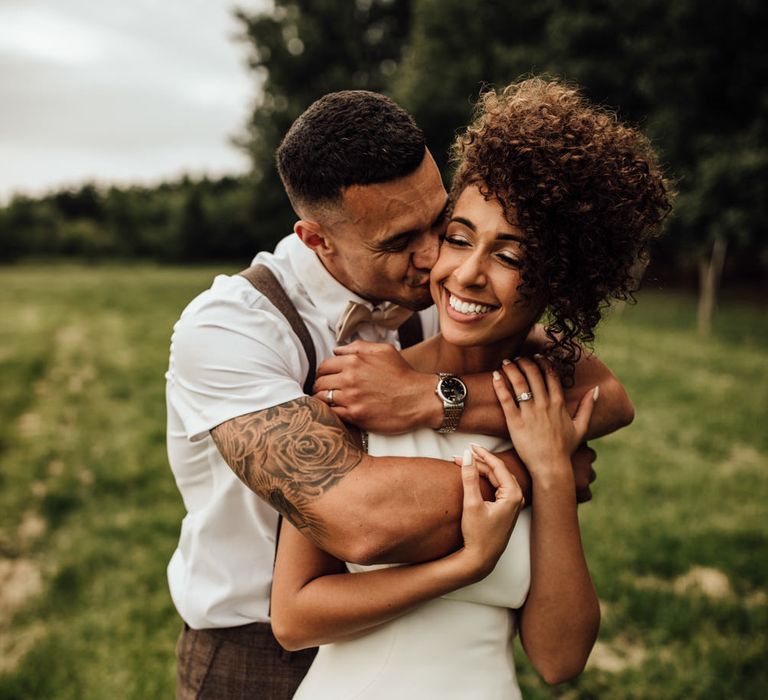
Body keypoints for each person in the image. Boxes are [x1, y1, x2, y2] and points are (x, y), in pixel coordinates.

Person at [165, 90, 635, 698]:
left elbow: (609, 396)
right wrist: (542, 467)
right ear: (317, 239)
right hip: (251, 650)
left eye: (439, 223)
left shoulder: (443, 303)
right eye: (398, 241)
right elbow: (357, 518)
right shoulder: (232, 327)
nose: (435, 256)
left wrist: (435, 398)